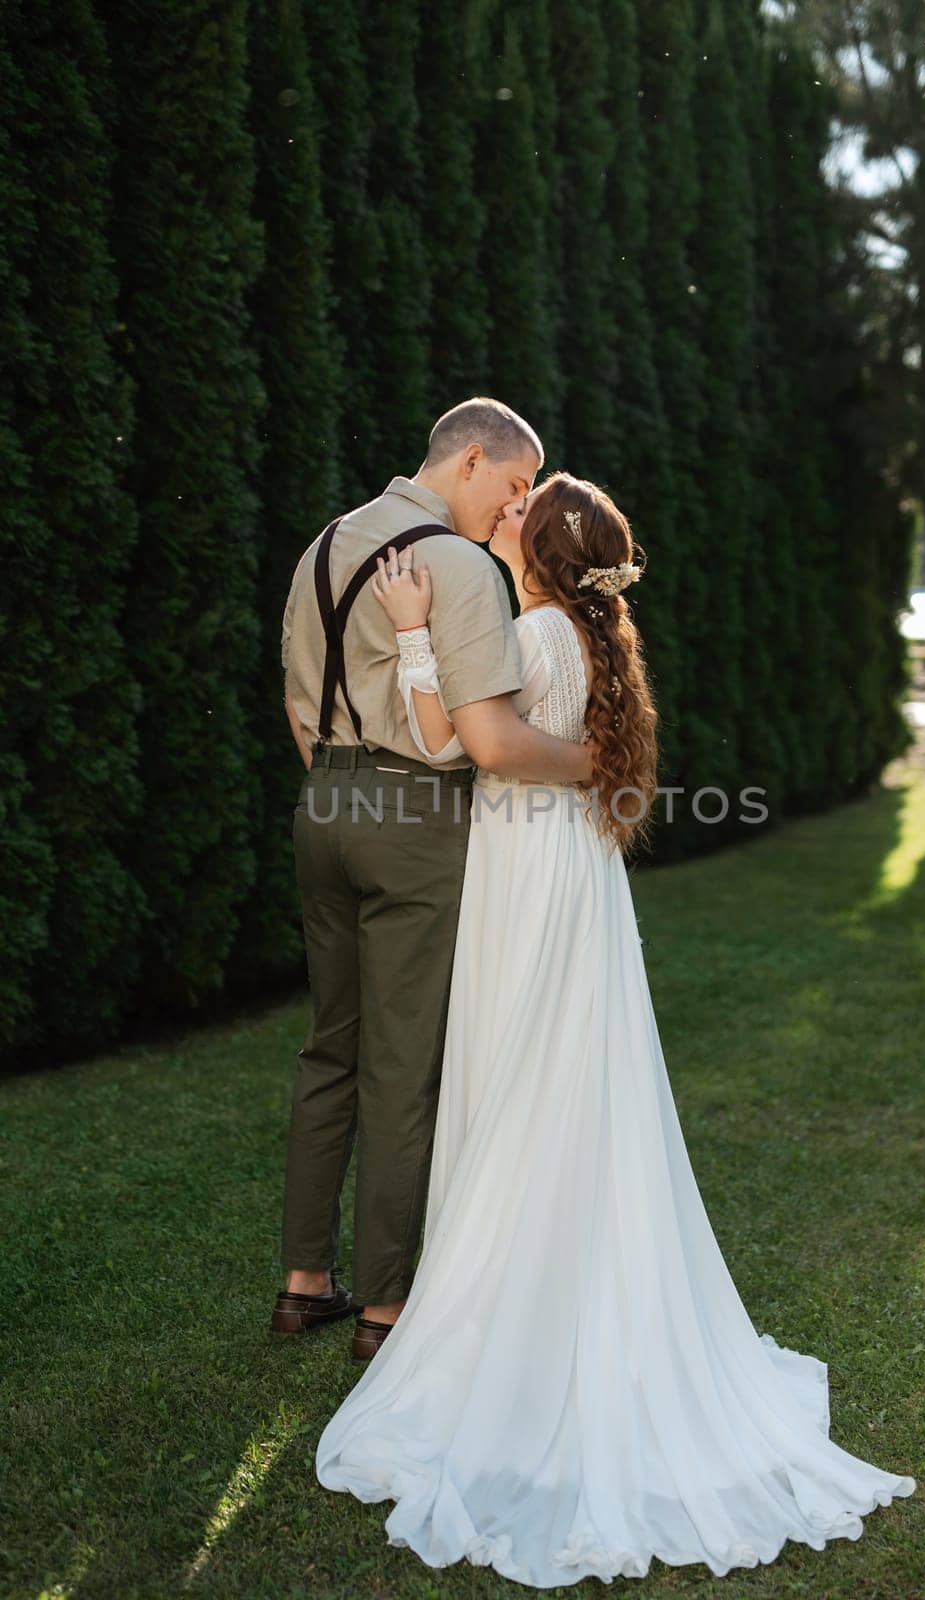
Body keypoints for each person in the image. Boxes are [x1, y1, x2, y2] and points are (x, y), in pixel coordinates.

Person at [314, 470, 917, 1587]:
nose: (499, 520)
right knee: (565, 1074)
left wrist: (411, 633)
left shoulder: (534, 634)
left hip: (529, 877)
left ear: (538, 555)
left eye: (514, 520)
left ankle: (513, 1314)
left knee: (518, 1077)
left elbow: (461, 746)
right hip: (575, 881)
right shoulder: (592, 639)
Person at [272, 399, 593, 1353]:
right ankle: (384, 1307)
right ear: (473, 459)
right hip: (413, 819)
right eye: (515, 483)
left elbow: (297, 705)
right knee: (407, 1066)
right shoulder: (452, 565)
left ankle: (303, 1285)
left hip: (323, 806)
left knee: (331, 1048)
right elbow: (483, 739)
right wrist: (603, 767)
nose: (517, 504)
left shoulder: (323, 544)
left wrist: (342, 788)